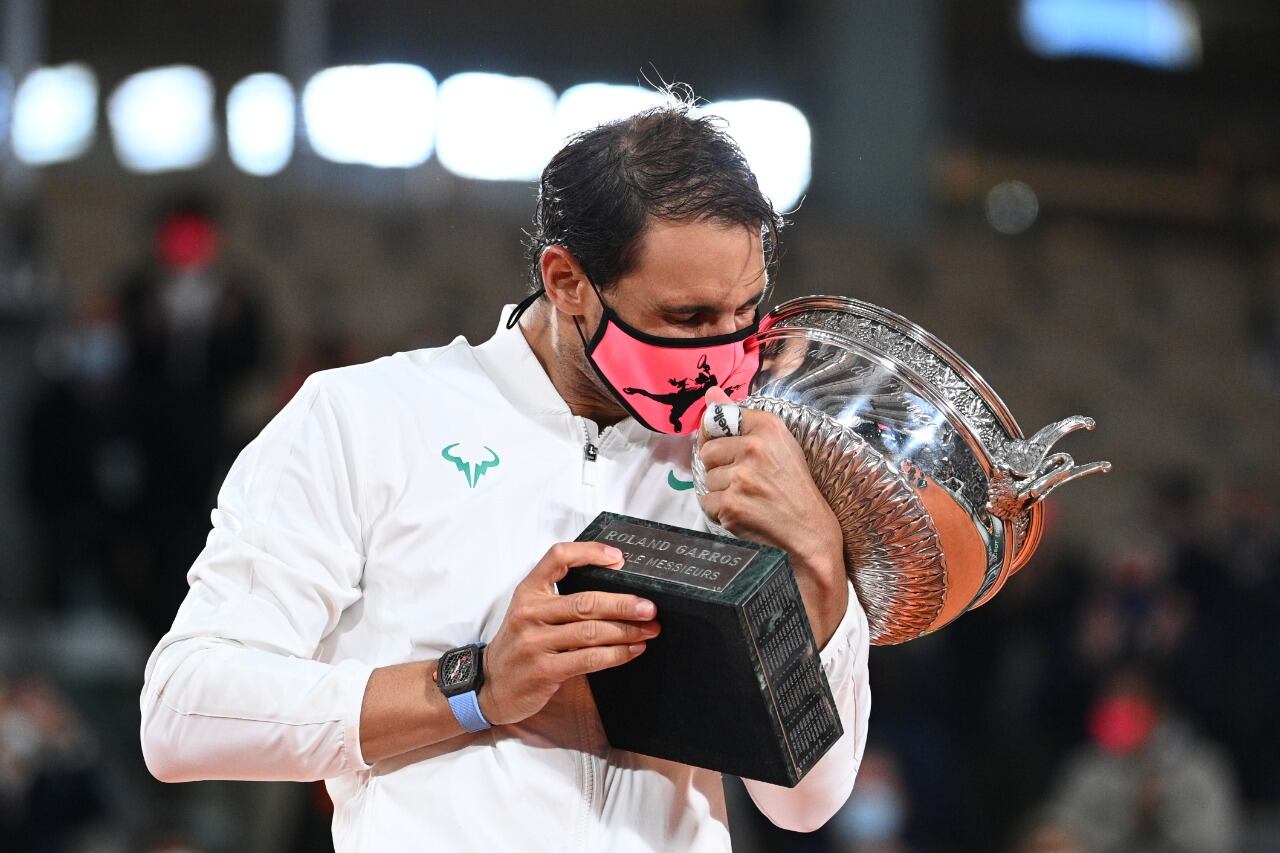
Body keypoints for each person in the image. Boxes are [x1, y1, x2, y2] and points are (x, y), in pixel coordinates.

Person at [139, 101, 870, 852]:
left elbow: (805, 803)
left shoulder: (748, 462)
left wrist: (818, 556)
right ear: (567, 281)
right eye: (687, 318)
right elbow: (181, 712)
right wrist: (473, 685)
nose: (725, 358)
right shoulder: (366, 416)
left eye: (745, 313)